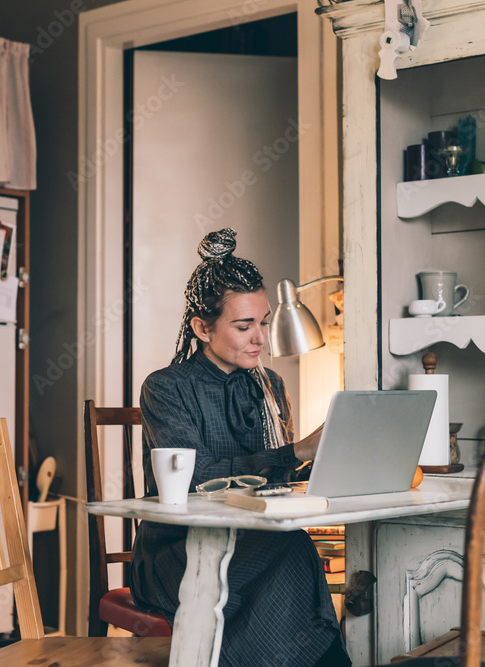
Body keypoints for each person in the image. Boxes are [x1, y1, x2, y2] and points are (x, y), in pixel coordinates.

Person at [128, 228, 351, 667]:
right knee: (290, 552)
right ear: (201, 328)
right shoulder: (166, 388)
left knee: (286, 553)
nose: (260, 338)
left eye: (263, 322)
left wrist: (330, 458)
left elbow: (274, 484)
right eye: (243, 325)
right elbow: (195, 481)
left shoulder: (270, 386)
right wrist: (295, 453)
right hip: (177, 555)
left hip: (250, 542)